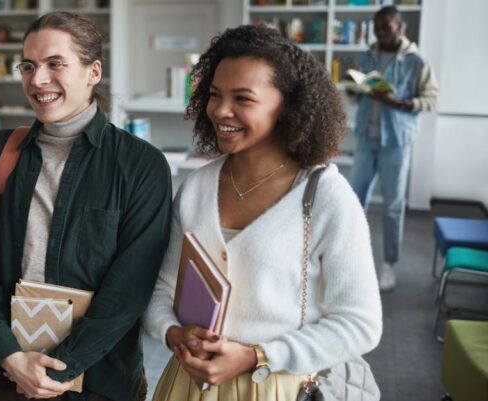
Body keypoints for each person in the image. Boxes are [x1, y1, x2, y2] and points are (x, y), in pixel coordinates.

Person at [143, 25, 383, 400]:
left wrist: (257, 356)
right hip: (189, 383)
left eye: (243, 98)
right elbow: (163, 288)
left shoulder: (325, 197)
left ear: (287, 106)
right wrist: (174, 333)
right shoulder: (196, 187)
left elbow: (360, 324)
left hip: (277, 385)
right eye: (215, 94)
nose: (220, 110)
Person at [0, 11, 172, 401]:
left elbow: (128, 291)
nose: (38, 79)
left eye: (55, 64)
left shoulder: (141, 166)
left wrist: (58, 369)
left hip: (99, 380)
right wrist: (9, 356)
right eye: (28, 66)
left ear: (93, 72)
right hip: (5, 374)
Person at [349, 5, 438, 291]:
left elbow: (430, 100)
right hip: (366, 138)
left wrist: (398, 102)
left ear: (401, 28)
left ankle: (388, 265)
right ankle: (350, 259)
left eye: (386, 27)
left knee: (392, 207)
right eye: (377, 27)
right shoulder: (368, 55)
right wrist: (354, 87)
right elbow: (357, 96)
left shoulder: (418, 62)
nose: (380, 32)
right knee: (354, 203)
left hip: (397, 144)